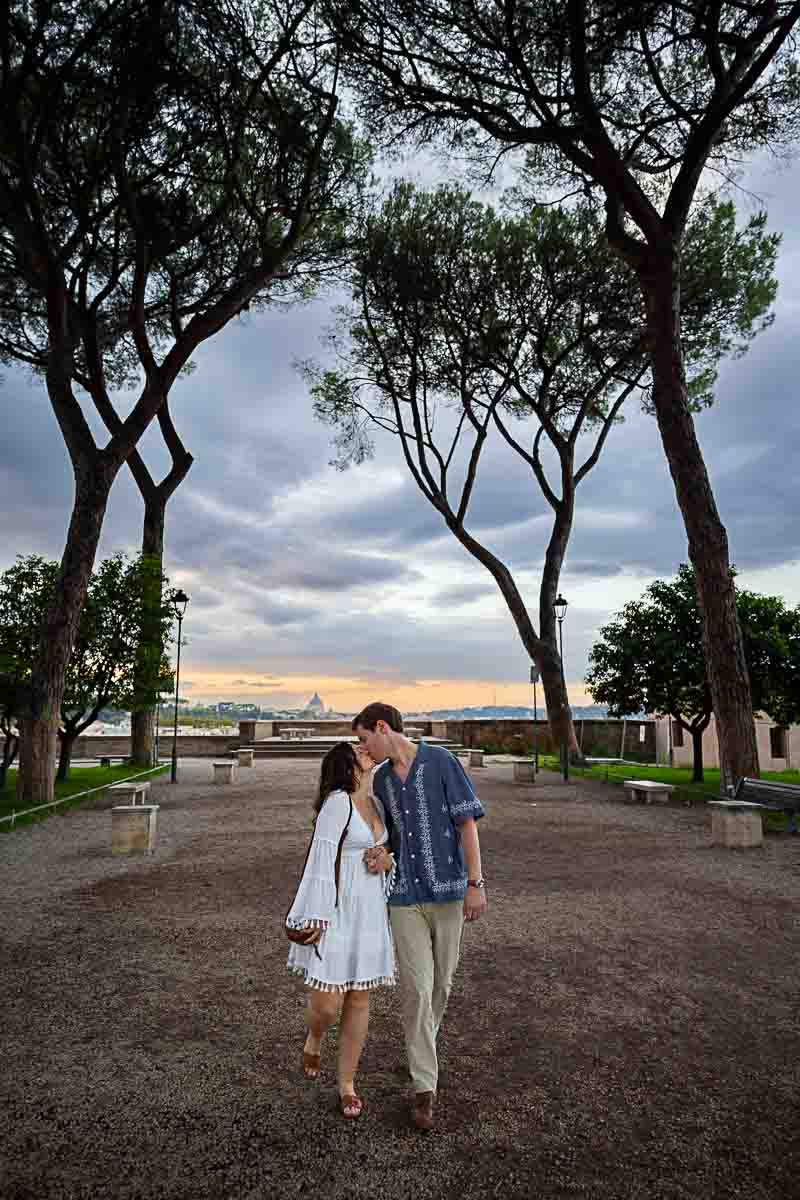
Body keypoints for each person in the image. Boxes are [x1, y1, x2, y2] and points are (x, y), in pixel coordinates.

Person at [355, 703, 487, 1132]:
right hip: (404, 896)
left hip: (449, 893)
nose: (364, 748)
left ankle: (418, 1050)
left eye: (364, 739)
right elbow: (390, 835)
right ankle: (424, 1087)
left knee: (442, 985)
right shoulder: (379, 781)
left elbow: (467, 824)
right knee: (417, 986)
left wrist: (476, 884)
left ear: (381, 727)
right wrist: (382, 854)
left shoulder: (442, 762)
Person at [286, 741, 396, 1120]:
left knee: (361, 999)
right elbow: (319, 859)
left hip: (370, 911)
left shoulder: (379, 805)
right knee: (328, 1006)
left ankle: (347, 1083)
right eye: (358, 751)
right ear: (347, 766)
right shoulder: (337, 803)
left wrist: (387, 858)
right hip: (337, 910)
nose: (367, 752)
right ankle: (315, 1035)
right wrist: (316, 916)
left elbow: (386, 851)